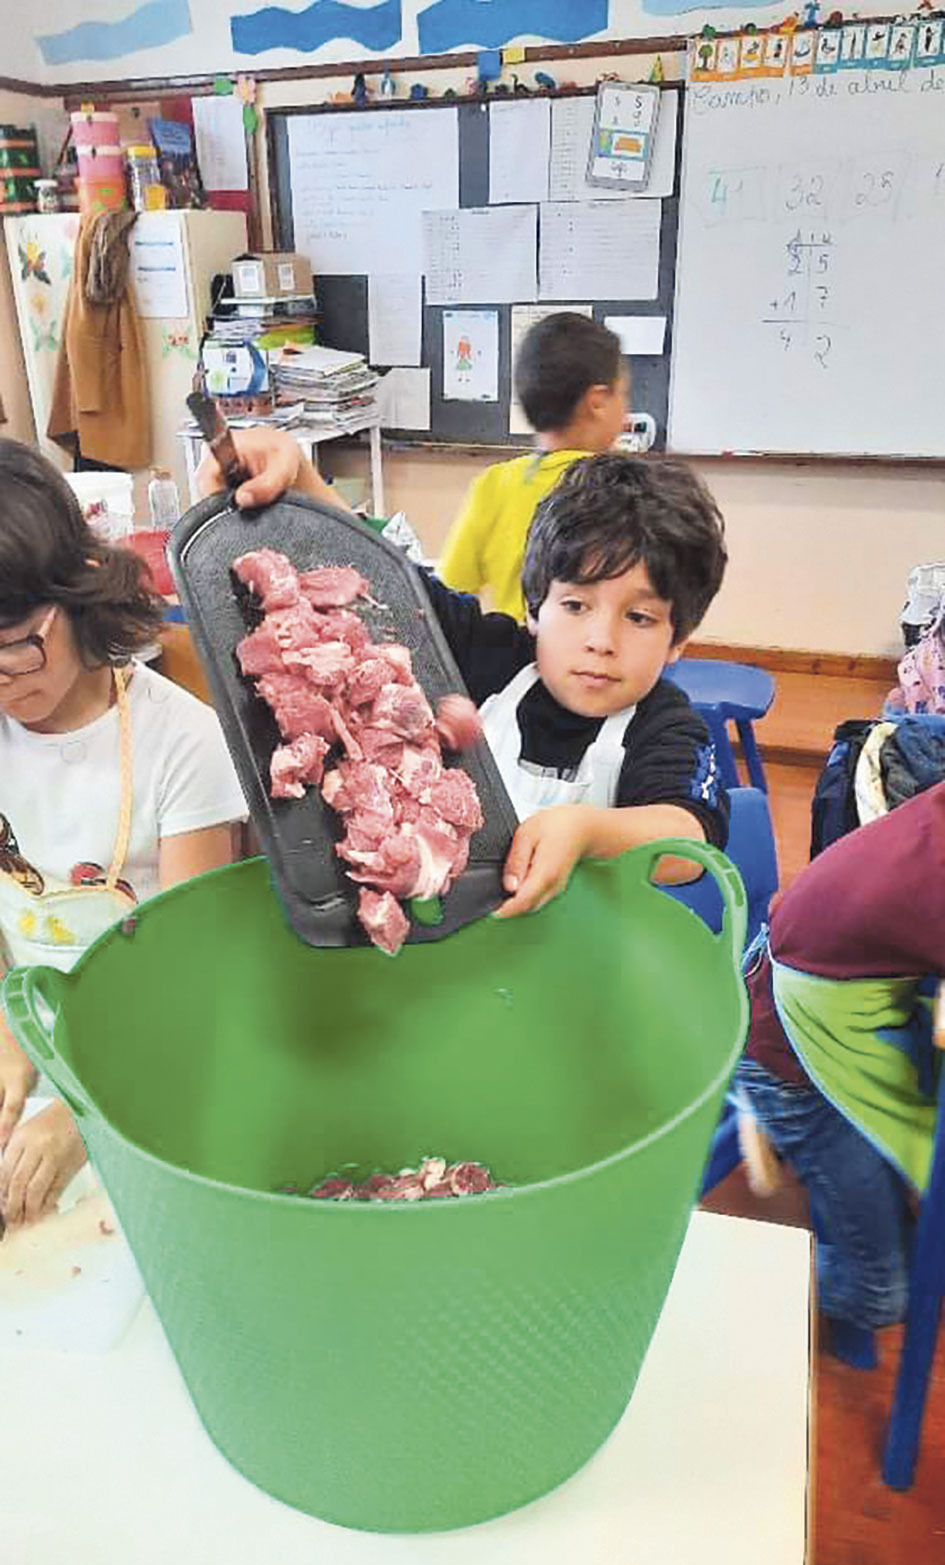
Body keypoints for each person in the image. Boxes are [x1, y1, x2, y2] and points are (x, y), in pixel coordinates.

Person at [198, 430, 730, 918]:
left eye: (638, 617)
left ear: (678, 639)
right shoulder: (492, 656)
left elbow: (690, 840)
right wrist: (300, 476)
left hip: (582, 959)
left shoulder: (662, 723)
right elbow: (382, 584)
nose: (601, 641)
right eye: (575, 606)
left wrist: (589, 831)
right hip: (451, 937)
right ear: (534, 608)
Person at [0, 440, 247, 1228]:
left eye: (16, 646)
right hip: (35, 1052)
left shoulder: (184, 742)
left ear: (77, 593)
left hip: (160, 1063)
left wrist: (80, 1114)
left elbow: (188, 982)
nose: (6, 682)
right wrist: (8, 1050)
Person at [733, 783, 945, 1364]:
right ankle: (719, 1268)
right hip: (789, 1062)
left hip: (802, 1005)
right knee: (883, 1294)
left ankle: (771, 1120)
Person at [438, 313, 627, 619]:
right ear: (598, 401)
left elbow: (449, 590)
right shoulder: (628, 491)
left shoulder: (494, 484)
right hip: (598, 659)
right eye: (624, 394)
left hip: (512, 661)